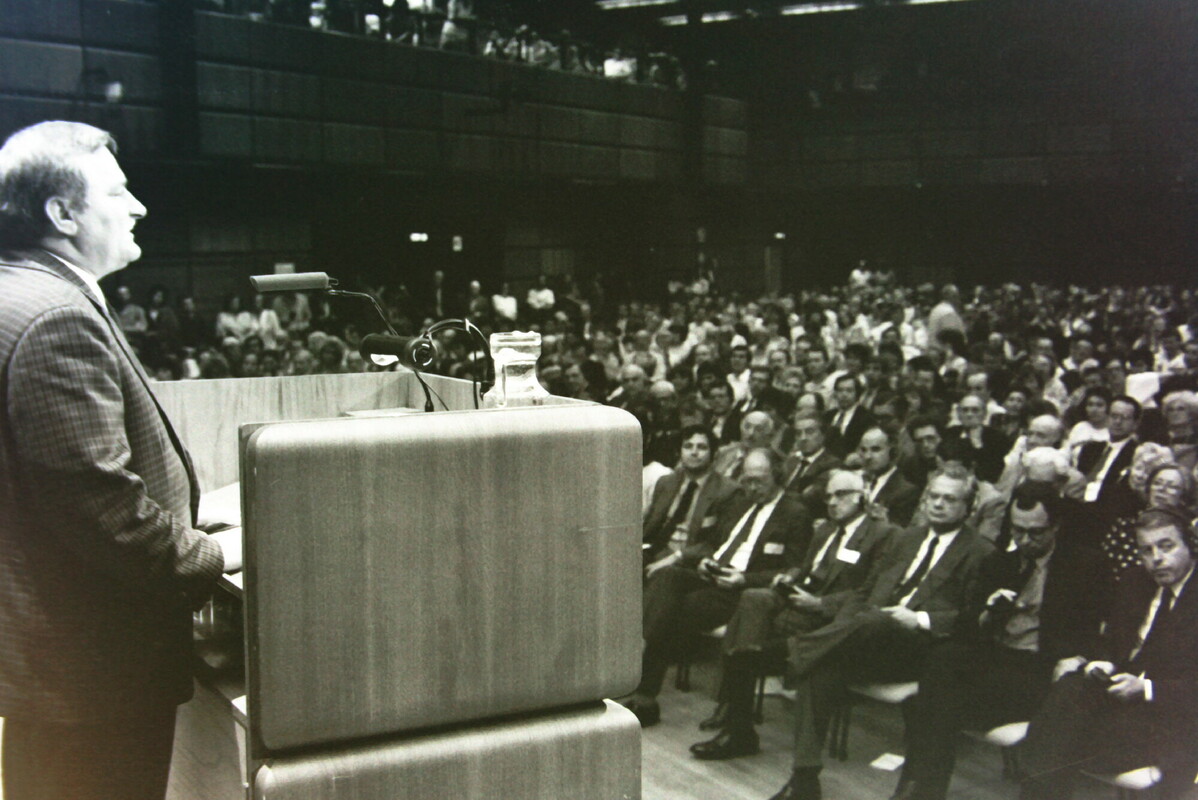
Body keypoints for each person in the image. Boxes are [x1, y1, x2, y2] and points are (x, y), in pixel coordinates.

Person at [0, 121, 241, 800]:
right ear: (62, 212)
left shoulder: (17, 291)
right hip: (92, 671)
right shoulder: (56, 316)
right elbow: (99, 504)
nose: (137, 206)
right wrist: (212, 554)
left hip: (54, 663)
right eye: (118, 190)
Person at [766, 465, 993, 800]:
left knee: (869, 624)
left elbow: (974, 619)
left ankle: (787, 652)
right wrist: (848, 620)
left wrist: (922, 619)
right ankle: (804, 780)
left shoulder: (981, 552)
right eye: (934, 496)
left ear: (969, 507)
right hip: (869, 635)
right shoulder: (907, 538)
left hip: (921, 648)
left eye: (950, 499)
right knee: (821, 668)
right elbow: (865, 591)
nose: (939, 504)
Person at [895, 482, 1106, 800]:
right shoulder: (1000, 563)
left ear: (1056, 526)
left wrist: (1077, 658)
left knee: (938, 701)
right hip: (999, 664)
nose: (1024, 540)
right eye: (1018, 530)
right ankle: (922, 788)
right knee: (943, 658)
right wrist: (987, 612)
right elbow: (968, 627)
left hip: (1043, 671)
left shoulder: (1084, 566)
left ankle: (921, 785)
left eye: (1035, 532)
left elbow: (1099, 631)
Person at [688, 470, 898, 760]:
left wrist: (821, 603)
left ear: (861, 496)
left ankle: (735, 715)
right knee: (753, 598)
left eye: (841, 495)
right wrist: (787, 579)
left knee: (749, 624)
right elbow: (804, 568)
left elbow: (869, 592)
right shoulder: (825, 530)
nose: (833, 502)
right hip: (797, 599)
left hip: (828, 615)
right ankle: (737, 714)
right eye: (829, 496)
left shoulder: (882, 534)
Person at [620, 448, 812, 727]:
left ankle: (645, 693)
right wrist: (705, 561)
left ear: (778, 476)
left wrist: (744, 580)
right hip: (713, 574)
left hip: (742, 587)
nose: (752, 487)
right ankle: (641, 664)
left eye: (759, 480)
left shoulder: (795, 513)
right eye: (747, 480)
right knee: (666, 577)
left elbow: (793, 569)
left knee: (676, 608)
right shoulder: (739, 502)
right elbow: (713, 541)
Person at [1019, 507, 1198, 799]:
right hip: (1120, 697)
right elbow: (1113, 643)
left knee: (1059, 737)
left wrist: (1147, 689)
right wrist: (1100, 663)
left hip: (1171, 717)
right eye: (1146, 550)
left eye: (1167, 546)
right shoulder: (1136, 581)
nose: (1157, 558)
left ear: (1190, 546)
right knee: (1069, 691)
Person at [642, 426, 737, 567]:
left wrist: (676, 557)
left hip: (688, 561)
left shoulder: (727, 490)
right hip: (655, 550)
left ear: (714, 454)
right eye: (688, 446)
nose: (694, 452)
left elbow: (716, 542)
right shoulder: (666, 482)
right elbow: (650, 526)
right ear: (680, 452)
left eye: (702, 447)